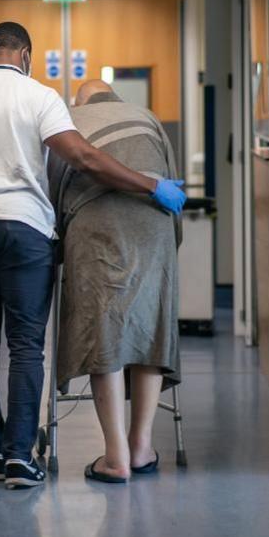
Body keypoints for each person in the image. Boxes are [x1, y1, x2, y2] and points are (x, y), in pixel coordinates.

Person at [0, 22, 186, 490]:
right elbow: (83, 158)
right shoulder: (39, 97)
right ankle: (20, 458)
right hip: (25, 227)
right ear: (24, 54)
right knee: (26, 344)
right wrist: (150, 184)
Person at [47, 80, 182, 484]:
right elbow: (171, 182)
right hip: (154, 227)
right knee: (150, 328)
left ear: (79, 100)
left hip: (95, 227)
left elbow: (52, 191)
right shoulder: (148, 118)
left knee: (102, 328)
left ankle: (115, 455)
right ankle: (141, 447)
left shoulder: (67, 120)